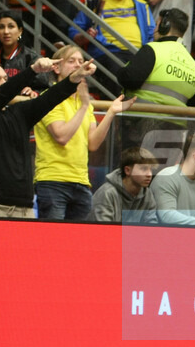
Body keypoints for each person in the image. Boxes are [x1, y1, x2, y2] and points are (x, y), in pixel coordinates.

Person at [0, 56, 95, 218]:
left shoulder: (19, 112)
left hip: (24, 209)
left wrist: (74, 78)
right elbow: (2, 95)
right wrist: (33, 70)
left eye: (6, 78)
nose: (4, 83)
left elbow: (49, 99)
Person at [34, 45, 136, 219]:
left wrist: (111, 112)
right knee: (52, 243)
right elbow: (61, 136)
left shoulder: (84, 102)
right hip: (53, 181)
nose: (78, 65)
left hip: (81, 182)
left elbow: (93, 143)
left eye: (81, 61)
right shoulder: (48, 96)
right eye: (71, 61)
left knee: (79, 244)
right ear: (56, 68)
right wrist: (83, 106)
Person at [70, 0, 155, 84]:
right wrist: (84, 37)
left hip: (137, 53)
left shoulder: (141, 4)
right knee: (119, 71)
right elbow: (74, 31)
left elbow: (151, 33)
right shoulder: (94, 2)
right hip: (108, 52)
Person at [118, 9, 195, 110]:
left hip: (141, 118)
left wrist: (121, 72)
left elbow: (129, 80)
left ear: (164, 27)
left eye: (156, 24)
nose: (154, 29)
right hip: (177, 124)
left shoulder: (153, 50)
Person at [89, 146, 159, 223]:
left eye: (151, 169)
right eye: (144, 169)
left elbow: (152, 227)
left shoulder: (147, 194)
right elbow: (102, 230)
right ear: (127, 170)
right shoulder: (107, 193)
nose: (149, 174)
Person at [0, 10, 42, 88]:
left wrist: (33, 92)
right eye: (1, 27)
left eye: (11, 26)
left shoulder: (32, 59)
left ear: (20, 31)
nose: (6, 31)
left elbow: (43, 90)